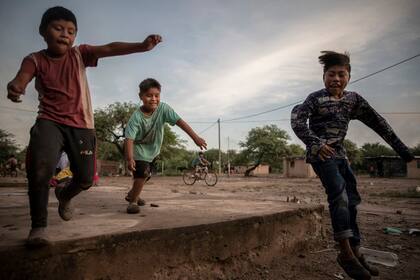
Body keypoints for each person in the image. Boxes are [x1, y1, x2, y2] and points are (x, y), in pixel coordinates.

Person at [6, 6, 162, 247]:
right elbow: (22, 76)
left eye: (71, 31)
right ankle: (38, 227)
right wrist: (17, 86)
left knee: (86, 179)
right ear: (43, 31)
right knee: (39, 170)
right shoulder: (35, 59)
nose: (65, 35)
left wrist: (141, 46)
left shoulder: (80, 55)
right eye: (58, 28)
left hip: (82, 126)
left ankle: (64, 194)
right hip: (49, 121)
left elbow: (110, 48)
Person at [291, 51, 414, 280]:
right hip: (321, 156)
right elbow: (296, 120)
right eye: (331, 74)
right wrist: (316, 143)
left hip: (341, 156)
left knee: (353, 200)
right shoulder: (315, 99)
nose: (335, 79)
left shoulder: (353, 100)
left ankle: (356, 252)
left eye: (341, 74)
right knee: (339, 196)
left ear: (349, 76)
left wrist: (404, 151)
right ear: (323, 76)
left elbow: (380, 124)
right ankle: (345, 253)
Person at [124, 78, 207, 214]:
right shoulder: (136, 118)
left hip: (153, 150)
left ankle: (133, 194)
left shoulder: (163, 109)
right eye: (149, 95)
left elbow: (181, 122)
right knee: (142, 173)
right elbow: (129, 139)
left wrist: (195, 138)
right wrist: (129, 158)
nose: (153, 99)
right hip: (137, 149)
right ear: (141, 96)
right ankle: (132, 202)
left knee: (147, 174)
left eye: (156, 95)